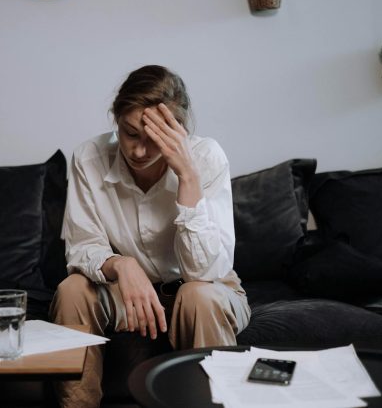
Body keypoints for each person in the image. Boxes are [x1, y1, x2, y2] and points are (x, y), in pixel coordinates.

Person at [50, 65, 250, 408]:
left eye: (153, 140)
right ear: (116, 118)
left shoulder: (205, 157)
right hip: (127, 295)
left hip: (205, 289)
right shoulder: (89, 157)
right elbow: (82, 246)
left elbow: (204, 272)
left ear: (179, 132)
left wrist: (187, 176)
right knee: (72, 291)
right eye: (130, 133)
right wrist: (122, 265)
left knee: (198, 295)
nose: (139, 152)